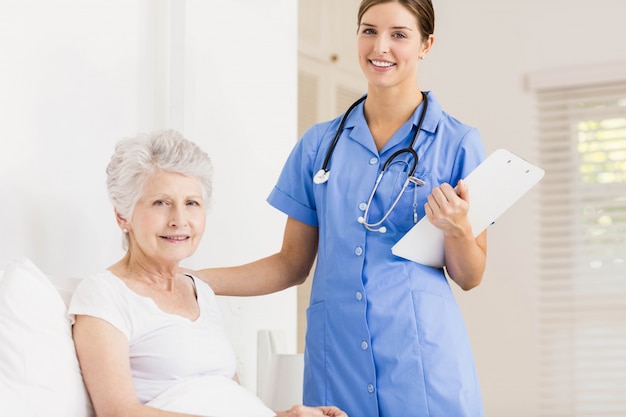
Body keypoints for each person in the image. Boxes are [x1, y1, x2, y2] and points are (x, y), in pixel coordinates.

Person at [193, 0, 488, 416]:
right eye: (368, 31)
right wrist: (195, 280)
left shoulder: (458, 143)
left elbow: (470, 275)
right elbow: (291, 264)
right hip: (338, 363)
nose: (379, 47)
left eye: (398, 34)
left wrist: (457, 229)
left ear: (426, 44)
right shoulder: (319, 144)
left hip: (422, 363)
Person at [68, 129, 347, 417]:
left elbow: (227, 398)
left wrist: (284, 416)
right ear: (122, 216)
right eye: (161, 202)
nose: (179, 220)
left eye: (191, 203)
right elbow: (118, 413)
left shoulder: (199, 292)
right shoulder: (104, 294)